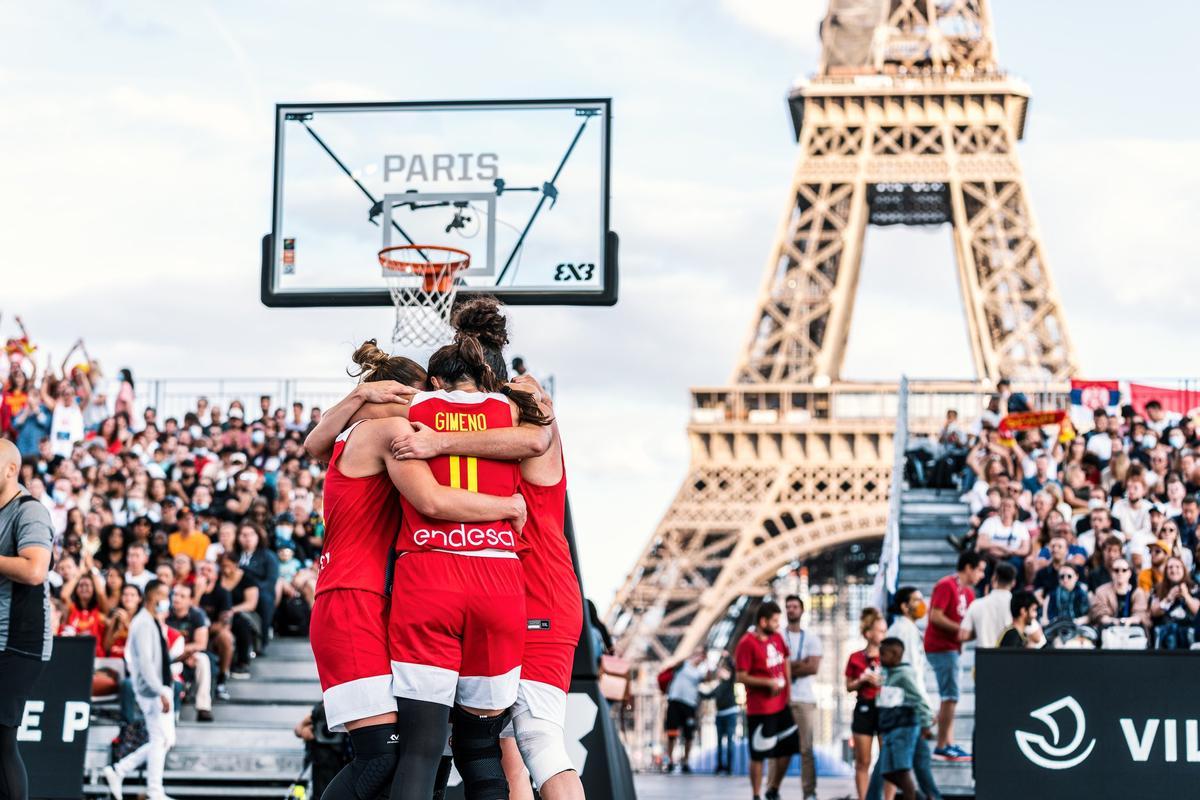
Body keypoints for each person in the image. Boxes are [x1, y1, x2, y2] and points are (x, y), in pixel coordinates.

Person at [304, 342, 530, 800]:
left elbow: (312, 443)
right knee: (381, 757)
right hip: (355, 597)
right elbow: (434, 501)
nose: (431, 406)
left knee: (410, 752)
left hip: (367, 595)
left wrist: (353, 399)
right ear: (396, 394)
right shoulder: (390, 432)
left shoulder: (352, 432)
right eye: (421, 397)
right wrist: (508, 505)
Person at [391, 361, 582, 799]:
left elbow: (537, 431)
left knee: (539, 739)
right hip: (509, 591)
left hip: (537, 593)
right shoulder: (496, 432)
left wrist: (436, 434)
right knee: (503, 747)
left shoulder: (525, 427)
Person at [0, 438, 54, 800]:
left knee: (0, 739)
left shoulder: (29, 511)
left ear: (11, 469)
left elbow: (36, 570)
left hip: (18, 641)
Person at [103, 580, 177, 800]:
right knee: (159, 738)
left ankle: (120, 769)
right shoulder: (143, 623)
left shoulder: (152, 621)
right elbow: (144, 662)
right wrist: (159, 690)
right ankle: (154, 791)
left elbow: (157, 657)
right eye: (164, 595)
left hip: (161, 685)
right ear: (154, 597)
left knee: (164, 739)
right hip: (153, 689)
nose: (167, 600)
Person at [924, 551, 985, 761]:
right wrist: (959, 630)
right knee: (950, 696)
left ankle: (949, 742)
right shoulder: (946, 585)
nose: (981, 575)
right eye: (979, 569)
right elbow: (935, 616)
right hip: (941, 647)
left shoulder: (968, 593)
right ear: (968, 567)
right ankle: (942, 744)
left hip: (954, 648)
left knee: (951, 697)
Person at [735, 601, 798, 800]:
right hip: (760, 708)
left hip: (781, 706)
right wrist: (767, 683)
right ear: (763, 621)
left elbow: (785, 661)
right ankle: (756, 795)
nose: (778, 625)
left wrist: (788, 691)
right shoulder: (746, 643)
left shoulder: (777, 638)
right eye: (775, 621)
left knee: (788, 749)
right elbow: (741, 676)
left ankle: (773, 789)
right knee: (758, 754)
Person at [876, 638, 935, 800]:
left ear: (895, 655)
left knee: (902, 771)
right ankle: (921, 798)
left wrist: (926, 723)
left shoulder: (904, 675)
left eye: (883, 654)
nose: (879, 657)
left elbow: (919, 699)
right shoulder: (887, 674)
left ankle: (914, 796)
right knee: (887, 771)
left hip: (903, 728)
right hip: (890, 728)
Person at [783, 594, 821, 800]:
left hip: (805, 698)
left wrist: (788, 666)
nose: (791, 610)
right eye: (788, 606)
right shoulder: (779, 637)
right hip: (782, 698)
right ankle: (772, 788)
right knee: (779, 749)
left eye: (794, 606)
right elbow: (777, 669)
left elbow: (814, 667)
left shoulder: (812, 638)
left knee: (806, 748)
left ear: (802, 610)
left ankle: (809, 792)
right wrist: (800, 664)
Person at [846, 608, 886, 800]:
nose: (883, 635)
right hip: (864, 707)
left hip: (885, 707)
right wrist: (862, 680)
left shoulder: (889, 655)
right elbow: (848, 686)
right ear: (868, 633)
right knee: (863, 760)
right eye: (880, 631)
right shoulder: (856, 657)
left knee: (887, 758)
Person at [165, 583, 213, 722]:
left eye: (182, 596)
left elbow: (201, 644)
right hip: (169, 654)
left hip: (187, 655)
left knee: (202, 659)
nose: (177, 599)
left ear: (191, 600)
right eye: (175, 595)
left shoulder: (197, 615)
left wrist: (184, 653)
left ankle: (203, 707)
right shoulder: (165, 614)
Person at [663, 648, 709, 773]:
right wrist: (689, 655)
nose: (698, 656)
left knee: (689, 734)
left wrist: (707, 663)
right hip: (675, 700)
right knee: (672, 733)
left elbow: (708, 679)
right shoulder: (684, 664)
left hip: (689, 704)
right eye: (697, 653)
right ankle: (670, 761)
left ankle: (685, 761)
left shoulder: (700, 671)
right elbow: (673, 665)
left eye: (701, 655)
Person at [960, 561, 1016, 649]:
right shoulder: (1019, 605)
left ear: (994, 579)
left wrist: (980, 629)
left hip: (983, 658)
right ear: (1013, 582)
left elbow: (963, 635)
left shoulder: (977, 604)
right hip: (1010, 657)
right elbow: (1037, 637)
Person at [1089, 557, 1150, 633]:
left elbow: (1141, 614)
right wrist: (1115, 621)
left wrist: (1128, 621)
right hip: (1109, 632)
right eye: (1116, 570)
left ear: (1130, 573)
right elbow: (1099, 614)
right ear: (1111, 573)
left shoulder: (1138, 592)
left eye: (1124, 570)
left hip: (1132, 632)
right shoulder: (1101, 591)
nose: (1120, 573)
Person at [1150, 556, 1200, 649]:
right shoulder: (1158, 588)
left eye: (1177, 567)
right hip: (1165, 629)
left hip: (1188, 629)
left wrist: (1186, 596)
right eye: (1170, 567)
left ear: (1184, 569)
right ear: (1166, 571)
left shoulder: (1194, 586)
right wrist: (1168, 598)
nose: (1174, 570)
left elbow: (1197, 611)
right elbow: (1154, 612)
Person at [705, 653, 738, 776]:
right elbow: (707, 695)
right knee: (719, 742)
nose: (720, 673)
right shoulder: (718, 687)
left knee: (730, 741)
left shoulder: (730, 682)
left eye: (722, 671)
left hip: (730, 714)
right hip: (720, 715)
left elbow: (734, 669)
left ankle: (729, 767)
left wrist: (728, 657)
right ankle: (720, 766)